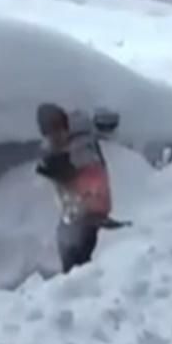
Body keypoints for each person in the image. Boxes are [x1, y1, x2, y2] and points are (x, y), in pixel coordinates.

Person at [35, 103, 126, 273]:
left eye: (55, 131)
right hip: (74, 217)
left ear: (65, 127)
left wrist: (68, 176)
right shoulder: (57, 148)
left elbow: (93, 184)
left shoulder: (81, 146)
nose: (53, 137)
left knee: (83, 270)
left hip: (91, 218)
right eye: (47, 133)